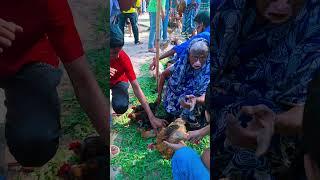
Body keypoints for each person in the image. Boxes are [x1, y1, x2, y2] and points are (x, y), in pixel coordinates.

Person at [208, 0, 320, 179]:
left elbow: (312, 110)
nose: (282, 5)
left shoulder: (313, 20)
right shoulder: (225, 11)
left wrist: (276, 122)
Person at [0, 0, 108, 168]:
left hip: (27, 61)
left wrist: (113, 140)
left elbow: (83, 80)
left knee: (34, 143)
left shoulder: (50, 4)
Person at [110, 25, 167, 134]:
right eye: (113, 53)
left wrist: (151, 116)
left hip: (118, 81)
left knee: (120, 107)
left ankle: (118, 95)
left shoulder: (123, 58)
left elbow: (136, 87)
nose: (117, 56)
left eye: (119, 51)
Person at [157, 38, 210, 129]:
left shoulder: (208, 71)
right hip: (174, 102)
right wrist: (159, 96)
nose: (198, 62)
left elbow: (207, 96)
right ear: (189, 55)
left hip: (193, 104)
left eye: (202, 58)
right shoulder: (181, 64)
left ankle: (188, 118)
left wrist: (196, 100)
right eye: (195, 57)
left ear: (207, 56)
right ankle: (173, 113)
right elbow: (163, 75)